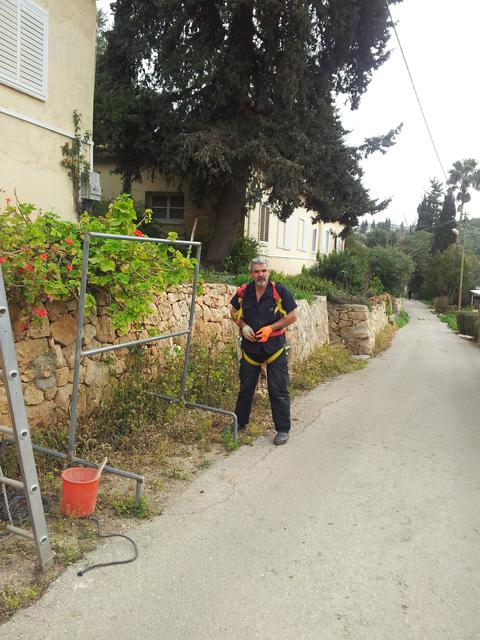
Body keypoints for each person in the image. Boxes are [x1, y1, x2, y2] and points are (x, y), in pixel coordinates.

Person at [230, 258, 297, 445]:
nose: (261, 274)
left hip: (274, 348)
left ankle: (282, 430)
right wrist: (243, 326)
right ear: (251, 273)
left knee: (278, 390)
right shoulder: (244, 292)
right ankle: (240, 424)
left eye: (264, 271)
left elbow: (292, 316)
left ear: (269, 272)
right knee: (245, 389)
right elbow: (233, 312)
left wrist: (271, 328)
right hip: (250, 350)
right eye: (256, 271)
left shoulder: (280, 291)